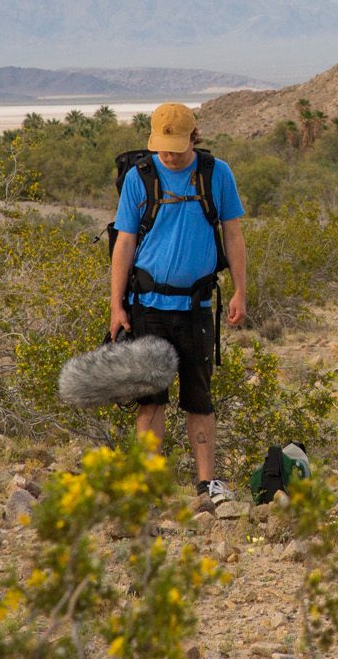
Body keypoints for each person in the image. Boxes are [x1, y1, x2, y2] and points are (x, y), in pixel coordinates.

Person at [109, 103, 246, 506]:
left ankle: (207, 484)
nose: (168, 154)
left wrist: (241, 290)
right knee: (150, 398)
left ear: (194, 136)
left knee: (199, 397)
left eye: (176, 146)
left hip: (198, 308)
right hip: (146, 306)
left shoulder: (216, 174)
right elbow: (125, 243)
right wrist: (117, 306)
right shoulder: (140, 178)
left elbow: (233, 234)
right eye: (162, 146)